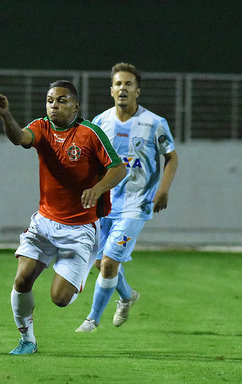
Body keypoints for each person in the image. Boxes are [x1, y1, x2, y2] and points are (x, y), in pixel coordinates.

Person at [0, 81, 127, 354]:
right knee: (22, 279)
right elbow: (19, 138)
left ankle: (83, 271)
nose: (54, 106)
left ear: (76, 105)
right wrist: (5, 115)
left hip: (80, 229)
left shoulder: (90, 133)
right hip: (44, 223)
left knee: (60, 299)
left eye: (61, 101)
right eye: (50, 100)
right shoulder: (42, 127)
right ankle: (27, 339)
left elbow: (119, 169)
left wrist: (97, 189)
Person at [76, 63, 179, 333]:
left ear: (137, 91)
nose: (123, 88)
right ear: (111, 90)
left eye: (128, 84)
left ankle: (92, 320)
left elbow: (171, 156)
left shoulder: (154, 123)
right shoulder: (100, 122)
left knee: (109, 263)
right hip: (106, 202)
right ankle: (127, 295)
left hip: (137, 203)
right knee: (101, 263)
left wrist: (163, 189)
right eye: (118, 84)